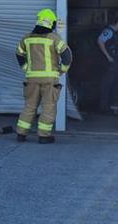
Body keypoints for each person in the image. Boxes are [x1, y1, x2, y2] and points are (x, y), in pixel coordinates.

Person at [15, 8, 73, 143]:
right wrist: (62, 70)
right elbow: (67, 56)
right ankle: (43, 136)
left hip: (31, 79)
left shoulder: (26, 38)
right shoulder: (54, 38)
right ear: (51, 23)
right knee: (48, 107)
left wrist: (26, 68)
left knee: (29, 106)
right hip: (49, 80)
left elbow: (19, 54)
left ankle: (21, 134)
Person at [96, 15, 118, 114]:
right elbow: (100, 41)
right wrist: (108, 56)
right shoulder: (108, 31)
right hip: (111, 63)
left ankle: (115, 107)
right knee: (107, 85)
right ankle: (104, 108)